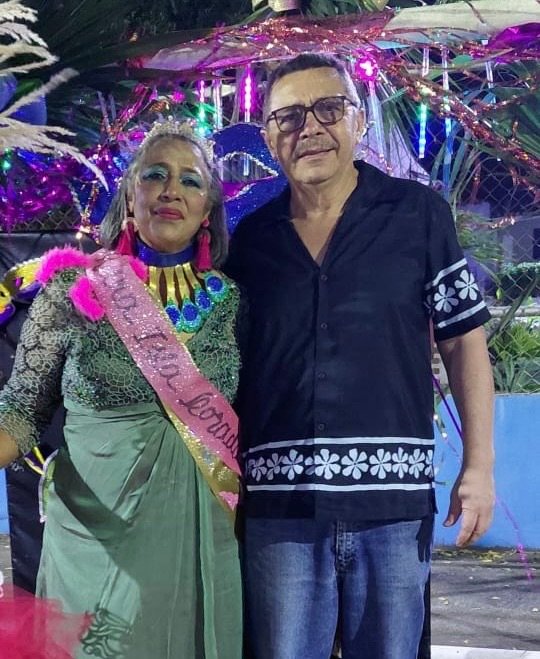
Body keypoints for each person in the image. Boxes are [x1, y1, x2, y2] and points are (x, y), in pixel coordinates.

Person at [226, 54, 495, 659]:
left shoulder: (417, 215)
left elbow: (463, 341)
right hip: (280, 512)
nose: (310, 128)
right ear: (267, 135)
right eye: (289, 117)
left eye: (329, 108)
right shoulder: (250, 241)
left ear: (359, 120)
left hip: (393, 509)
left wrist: (478, 467)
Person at [0, 121, 243, 659]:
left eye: (190, 180)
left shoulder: (232, 303)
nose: (171, 189)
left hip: (200, 539)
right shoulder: (75, 287)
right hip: (96, 541)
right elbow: (21, 409)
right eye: (155, 175)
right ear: (130, 195)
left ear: (207, 210)